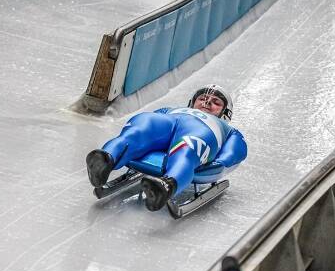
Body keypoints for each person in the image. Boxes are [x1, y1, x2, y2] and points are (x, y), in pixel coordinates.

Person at [86, 84, 247, 212]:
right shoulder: (171, 109)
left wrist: (219, 164)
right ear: (192, 102)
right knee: (139, 131)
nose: (207, 102)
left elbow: (236, 151)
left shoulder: (227, 129)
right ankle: (106, 159)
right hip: (168, 121)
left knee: (188, 149)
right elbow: (153, 116)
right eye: (203, 98)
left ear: (225, 113)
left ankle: (167, 185)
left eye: (216, 102)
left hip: (203, 130)